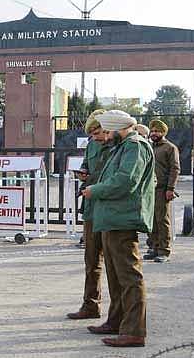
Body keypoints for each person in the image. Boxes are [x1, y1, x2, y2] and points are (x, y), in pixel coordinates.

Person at [82, 110, 154, 348]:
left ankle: (134, 331)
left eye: (107, 129)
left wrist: (95, 190)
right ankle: (116, 321)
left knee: (129, 277)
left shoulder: (135, 146)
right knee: (115, 277)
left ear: (115, 127)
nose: (105, 134)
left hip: (123, 219)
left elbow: (126, 181)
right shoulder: (122, 147)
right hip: (112, 219)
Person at [67, 109, 112, 320]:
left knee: (115, 263)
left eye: (98, 132)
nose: (95, 137)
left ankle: (119, 314)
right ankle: (91, 305)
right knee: (91, 260)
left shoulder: (119, 145)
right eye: (92, 134)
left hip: (111, 208)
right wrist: (83, 173)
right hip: (92, 207)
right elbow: (86, 163)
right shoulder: (92, 144)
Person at [144, 119, 180, 263]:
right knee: (151, 220)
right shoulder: (149, 147)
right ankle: (154, 247)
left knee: (162, 220)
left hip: (162, 189)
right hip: (149, 189)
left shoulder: (170, 148)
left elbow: (175, 169)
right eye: (152, 131)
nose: (153, 133)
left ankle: (164, 251)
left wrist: (170, 188)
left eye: (157, 131)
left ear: (163, 132)